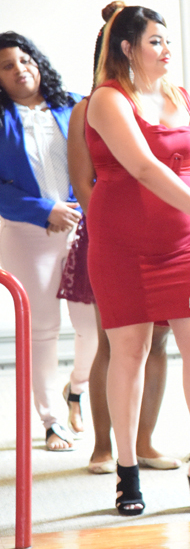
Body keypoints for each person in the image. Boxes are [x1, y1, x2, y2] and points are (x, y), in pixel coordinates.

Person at [85, 5, 190, 516]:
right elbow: (143, 167)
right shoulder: (106, 100)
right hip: (122, 245)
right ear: (127, 48)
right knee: (130, 350)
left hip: (186, 243)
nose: (167, 50)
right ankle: (126, 471)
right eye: (156, 42)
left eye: (168, 41)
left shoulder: (186, 99)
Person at [67, 1, 177, 474]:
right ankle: (103, 445)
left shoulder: (162, 102)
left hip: (166, 243)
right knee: (112, 345)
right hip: (112, 241)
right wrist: (117, 233)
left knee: (157, 344)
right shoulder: (88, 109)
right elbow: (84, 185)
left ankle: (146, 441)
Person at [0, 32, 98, 452]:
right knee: (41, 328)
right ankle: (51, 419)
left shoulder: (74, 105)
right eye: (7, 65)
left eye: (25, 60)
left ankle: (76, 388)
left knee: (92, 325)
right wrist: (44, 210)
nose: (20, 69)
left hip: (80, 227)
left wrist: (74, 206)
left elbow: (95, 165)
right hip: (26, 234)